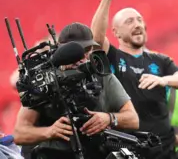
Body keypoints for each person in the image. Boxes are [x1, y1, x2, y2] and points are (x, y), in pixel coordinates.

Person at [91, 0, 178, 158]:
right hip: (128, 150)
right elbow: (96, 38)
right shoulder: (113, 57)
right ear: (116, 32)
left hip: (164, 152)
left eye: (139, 20)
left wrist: (163, 80)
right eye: (129, 21)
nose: (137, 24)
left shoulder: (160, 60)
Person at [12, 22, 139, 159]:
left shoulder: (101, 75)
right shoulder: (46, 81)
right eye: (77, 52)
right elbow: (20, 134)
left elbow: (133, 119)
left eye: (87, 50)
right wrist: (50, 131)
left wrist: (109, 118)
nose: (83, 57)